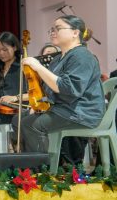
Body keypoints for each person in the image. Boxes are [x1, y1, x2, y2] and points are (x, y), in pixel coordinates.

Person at [20, 15, 105, 157]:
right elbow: (49, 89)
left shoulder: (82, 56)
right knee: (21, 121)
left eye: (58, 28)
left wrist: (39, 67)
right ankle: (38, 163)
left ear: (75, 33)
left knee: (31, 125)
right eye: (52, 29)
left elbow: (69, 89)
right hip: (65, 109)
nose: (53, 32)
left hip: (82, 112)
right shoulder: (57, 59)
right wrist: (38, 105)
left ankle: (41, 167)